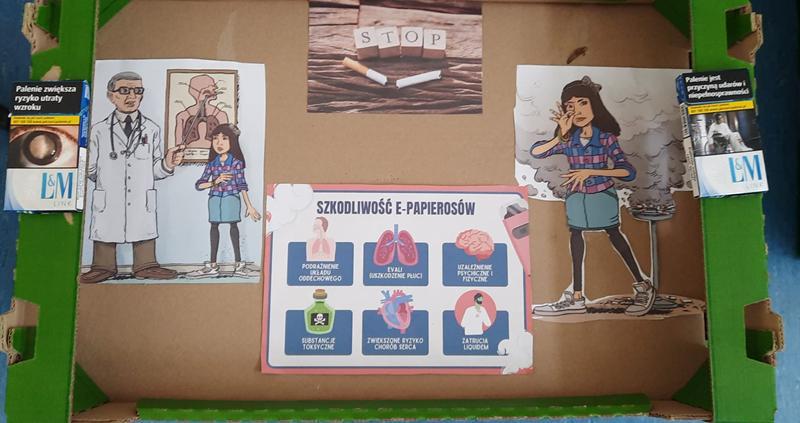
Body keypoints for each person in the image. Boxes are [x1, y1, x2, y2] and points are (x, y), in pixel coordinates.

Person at [530, 76, 655, 317]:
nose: (577, 110)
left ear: (594, 105)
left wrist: (592, 172)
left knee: (614, 234)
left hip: (601, 194)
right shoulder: (569, 140)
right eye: (570, 106)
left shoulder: (605, 138)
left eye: (582, 103)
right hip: (576, 197)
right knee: (576, 238)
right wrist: (559, 135)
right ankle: (577, 297)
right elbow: (537, 152)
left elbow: (627, 171)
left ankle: (643, 285)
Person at [80, 71, 185, 284]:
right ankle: (103, 267)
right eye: (124, 90)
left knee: (142, 225)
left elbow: (155, 170)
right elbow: (90, 169)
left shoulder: (152, 129)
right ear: (111, 96)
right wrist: (109, 180)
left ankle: (146, 265)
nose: (132, 96)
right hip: (109, 195)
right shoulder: (98, 130)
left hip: (141, 196)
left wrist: (168, 163)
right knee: (107, 227)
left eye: (137, 91)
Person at [187, 123, 261, 278]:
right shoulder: (212, 164)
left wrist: (249, 206)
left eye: (224, 139)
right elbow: (199, 185)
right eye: (215, 139)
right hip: (215, 198)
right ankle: (213, 265)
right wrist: (215, 182)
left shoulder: (236, 163)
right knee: (214, 227)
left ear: (232, 141)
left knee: (234, 227)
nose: (219, 143)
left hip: (231, 197)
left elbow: (242, 184)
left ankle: (238, 264)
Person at [174, 74, 229, 151]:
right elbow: (178, 145)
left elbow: (226, 143)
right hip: (189, 155)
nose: (216, 88)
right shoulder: (182, 116)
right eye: (212, 86)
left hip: (213, 156)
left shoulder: (221, 115)